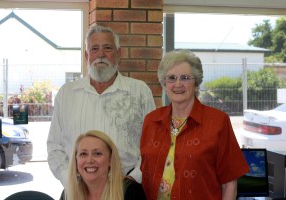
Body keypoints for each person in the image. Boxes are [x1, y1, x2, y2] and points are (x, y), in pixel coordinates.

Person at [47, 24, 155, 187]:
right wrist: (69, 181)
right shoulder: (67, 93)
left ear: (119, 53)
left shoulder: (139, 91)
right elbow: (54, 146)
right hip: (79, 188)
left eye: (108, 48)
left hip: (126, 187)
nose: (101, 55)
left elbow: (153, 143)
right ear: (86, 55)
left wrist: (133, 179)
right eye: (95, 49)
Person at [140, 49, 250, 200]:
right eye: (171, 78)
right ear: (164, 85)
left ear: (196, 84)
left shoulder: (218, 121)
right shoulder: (151, 121)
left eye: (185, 78)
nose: (178, 84)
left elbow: (229, 182)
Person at [62, 130, 146, 200]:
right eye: (83, 154)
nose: (89, 160)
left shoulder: (131, 191)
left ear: (110, 160)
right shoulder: (68, 193)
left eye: (97, 153)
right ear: (76, 161)